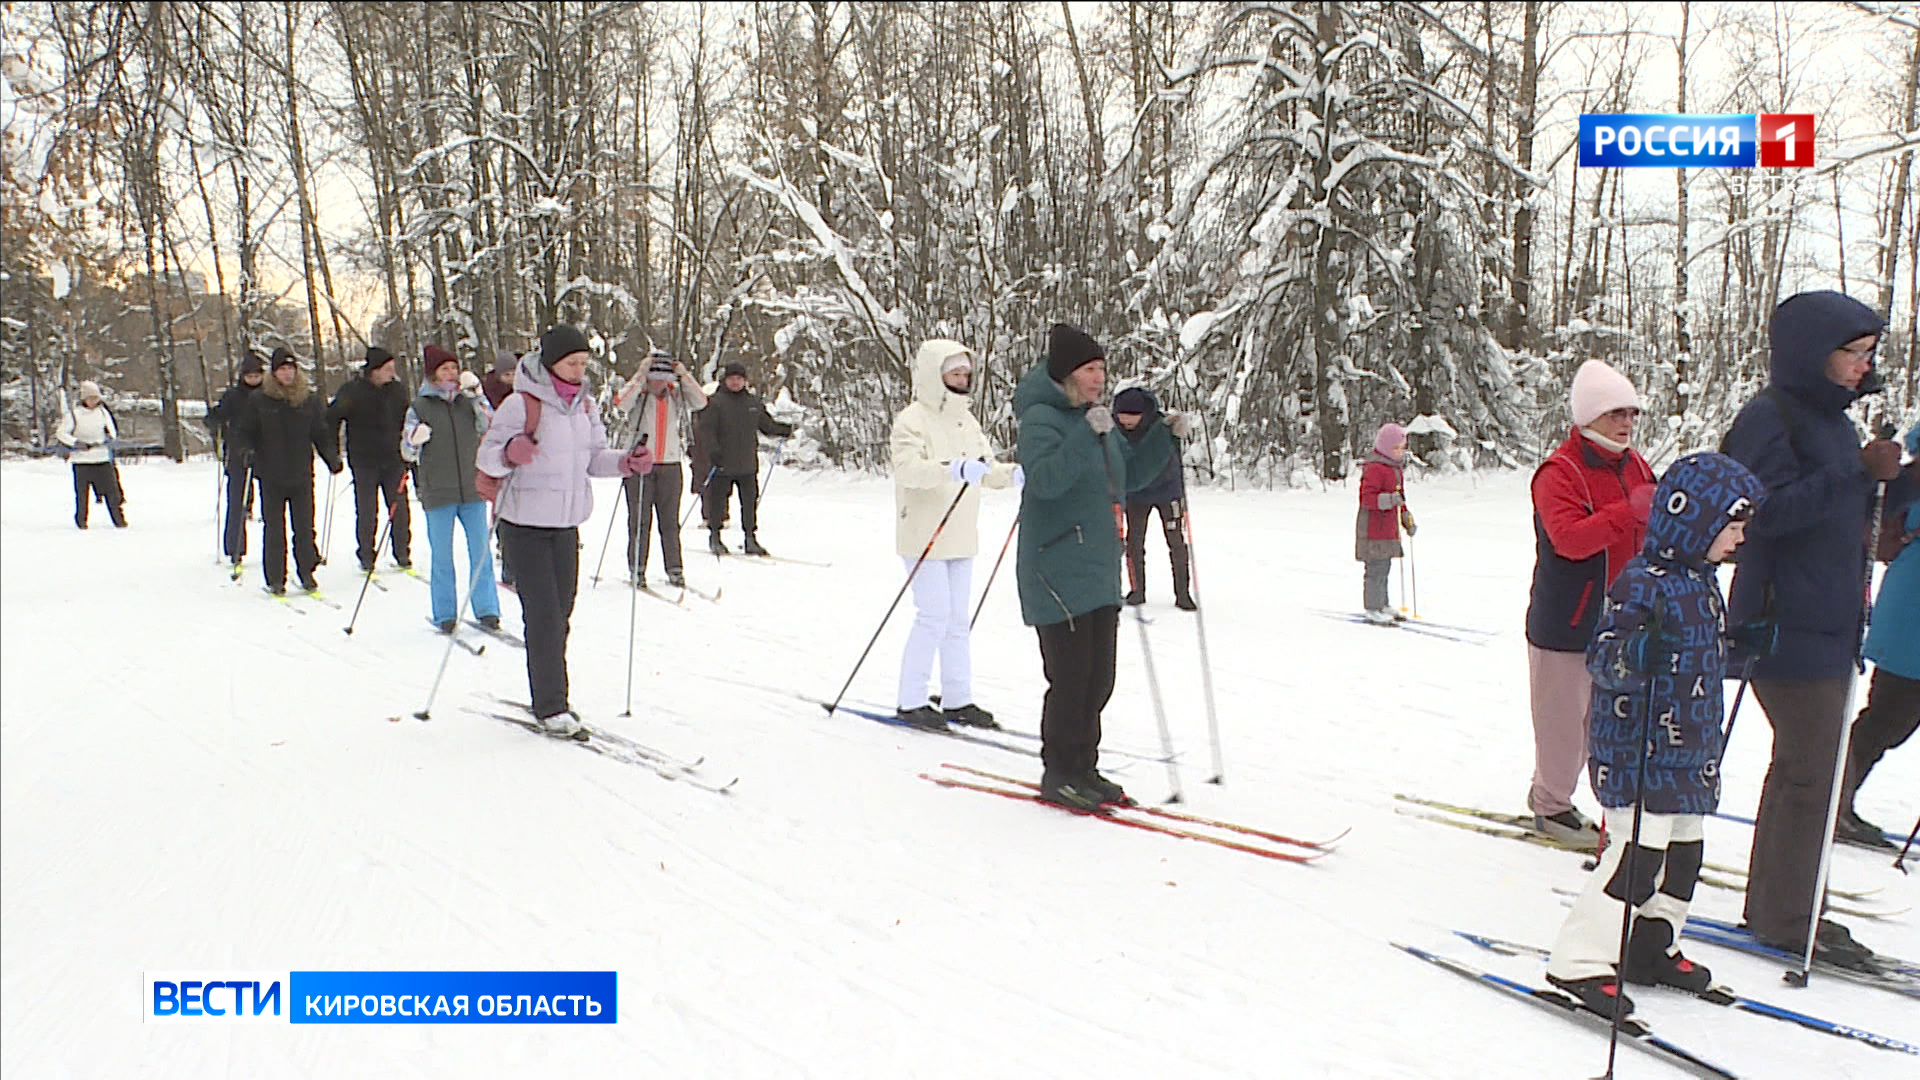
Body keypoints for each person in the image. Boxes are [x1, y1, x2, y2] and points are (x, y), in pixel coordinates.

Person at [1723, 290, 1915, 968]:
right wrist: (1856, 472)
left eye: (1870, 352)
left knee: (1804, 771)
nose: (1865, 365)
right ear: (1812, 352)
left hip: (1827, 622)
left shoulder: (1829, 421)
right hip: (1783, 621)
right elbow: (1761, 514)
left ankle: (1777, 905)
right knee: (1816, 774)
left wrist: (1894, 479)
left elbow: (1844, 507)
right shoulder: (1770, 417)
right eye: (1853, 352)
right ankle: (1791, 917)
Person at [1544, 452, 1764, 1016]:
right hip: (1637, 750)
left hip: (1689, 752)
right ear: (1696, 522)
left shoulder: (1702, 584)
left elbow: (1696, 662)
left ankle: (1650, 944)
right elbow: (1604, 658)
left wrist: (1739, 649)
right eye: (1732, 526)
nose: (1739, 538)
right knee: (1637, 858)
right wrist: (1639, 651)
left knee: (1685, 853)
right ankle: (1580, 960)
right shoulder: (1643, 582)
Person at [477, 325, 654, 736]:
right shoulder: (521, 404)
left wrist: (625, 462)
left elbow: (593, 459)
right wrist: (509, 452)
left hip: (565, 526)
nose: (579, 370)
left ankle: (550, 691)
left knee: (561, 614)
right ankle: (551, 704)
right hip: (524, 525)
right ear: (551, 362)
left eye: (583, 363)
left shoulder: (585, 407)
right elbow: (487, 458)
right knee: (544, 617)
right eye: (572, 363)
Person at [1523, 359, 1656, 847]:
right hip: (1567, 619)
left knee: (1602, 723)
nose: (1626, 422)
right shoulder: (1558, 473)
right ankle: (1551, 806)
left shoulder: (1636, 465)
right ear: (1588, 415)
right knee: (1562, 724)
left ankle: (1551, 794)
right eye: (1615, 413)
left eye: (1631, 413)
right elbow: (1570, 540)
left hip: (1621, 619)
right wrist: (1629, 511)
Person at [1015, 323, 1129, 810]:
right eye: (1089, 369)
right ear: (1067, 374)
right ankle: (1059, 771)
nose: (1099, 378)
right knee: (1071, 678)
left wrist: (1162, 441)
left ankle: (1084, 766)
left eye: (1102, 368)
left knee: (1099, 679)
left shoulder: (1091, 418)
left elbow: (1126, 479)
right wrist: (1085, 433)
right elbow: (1045, 481)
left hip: (1097, 566)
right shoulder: (1041, 419)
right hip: (1056, 566)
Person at [889, 340, 1020, 731]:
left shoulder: (967, 421)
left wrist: (1012, 474)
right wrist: (952, 468)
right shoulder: (912, 420)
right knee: (933, 615)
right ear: (935, 376)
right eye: (954, 374)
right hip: (924, 533)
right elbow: (909, 471)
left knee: (957, 620)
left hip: (961, 532)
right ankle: (911, 699)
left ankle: (957, 698)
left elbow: (986, 467)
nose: (962, 380)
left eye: (966, 374)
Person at [1842, 424, 1920, 848]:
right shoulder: (1909, 485)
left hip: (1907, 620)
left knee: (1892, 720)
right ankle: (1831, 803)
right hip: (1911, 623)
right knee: (1888, 718)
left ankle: (1833, 802)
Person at [404, 346, 502, 634]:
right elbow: (407, 451)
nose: (451, 373)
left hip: (471, 489)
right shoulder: (420, 406)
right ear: (433, 373)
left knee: (480, 552)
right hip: (438, 490)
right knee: (442, 556)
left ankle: (487, 609)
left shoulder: (467, 401)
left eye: (454, 368)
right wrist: (414, 439)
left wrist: (478, 396)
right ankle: (445, 613)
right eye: (445, 368)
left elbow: (491, 426)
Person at [235, 347, 342, 595]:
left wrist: (331, 458)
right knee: (274, 528)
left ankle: (306, 572)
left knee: (304, 527)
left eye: (291, 368)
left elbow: (320, 433)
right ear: (274, 373)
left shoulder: (308, 400)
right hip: (270, 474)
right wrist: (246, 451)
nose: (287, 373)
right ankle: (275, 578)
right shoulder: (260, 400)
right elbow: (244, 432)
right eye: (282, 369)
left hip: (301, 473)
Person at [615, 351, 707, 587]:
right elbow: (621, 402)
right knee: (639, 520)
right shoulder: (639, 394)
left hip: (670, 465)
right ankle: (637, 568)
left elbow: (701, 401)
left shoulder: (676, 395)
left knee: (669, 522)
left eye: (664, 378)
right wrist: (640, 373)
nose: (659, 383)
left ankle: (674, 568)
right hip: (640, 465)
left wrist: (683, 375)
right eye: (655, 378)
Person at [327, 345, 412, 572]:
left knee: (399, 507)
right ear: (374, 370)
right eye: (387, 369)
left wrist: (410, 450)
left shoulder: (397, 391)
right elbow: (332, 418)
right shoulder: (352, 391)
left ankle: (402, 553)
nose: (392, 373)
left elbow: (407, 421)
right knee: (367, 510)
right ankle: (366, 554)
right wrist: (333, 452)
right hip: (363, 460)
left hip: (393, 458)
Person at [696, 360, 793, 556]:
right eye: (732, 378)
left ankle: (750, 538)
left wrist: (782, 429)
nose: (735, 382)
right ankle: (715, 537)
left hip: (747, 463)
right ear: (725, 380)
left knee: (749, 502)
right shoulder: (714, 403)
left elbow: (766, 425)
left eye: (739, 379)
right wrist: (713, 451)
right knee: (718, 502)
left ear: (745, 381)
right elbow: (705, 431)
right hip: (722, 462)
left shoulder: (753, 403)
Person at [1113, 387, 1195, 611]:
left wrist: (1178, 431)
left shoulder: (1162, 426)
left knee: (1176, 541)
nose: (1126, 423)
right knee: (1134, 542)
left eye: (1131, 418)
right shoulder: (1115, 430)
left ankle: (1183, 594)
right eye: (1122, 418)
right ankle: (1137, 590)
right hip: (1136, 494)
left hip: (1168, 490)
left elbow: (1173, 446)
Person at [206, 352, 266, 566]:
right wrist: (214, 422)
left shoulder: (268, 394)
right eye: (249, 376)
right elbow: (218, 415)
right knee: (236, 501)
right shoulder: (233, 396)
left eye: (257, 376)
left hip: (266, 451)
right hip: (237, 451)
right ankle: (235, 547)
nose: (253, 379)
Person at [1356, 421, 1414, 623]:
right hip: (1373, 529)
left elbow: (1400, 498)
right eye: (1396, 448)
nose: (1400, 452)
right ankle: (1372, 607)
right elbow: (1367, 498)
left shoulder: (1395, 469)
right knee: (1375, 569)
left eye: (1402, 448)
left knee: (1385, 567)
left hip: (1389, 528)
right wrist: (1389, 500)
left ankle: (1383, 603)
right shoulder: (1375, 468)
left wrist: (1406, 518)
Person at [56, 380, 126, 529]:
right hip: (82, 461)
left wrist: (109, 438)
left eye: (96, 398)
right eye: (91, 398)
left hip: (101, 458)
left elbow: (112, 431)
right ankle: (81, 521)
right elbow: (61, 433)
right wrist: (75, 443)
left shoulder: (103, 413)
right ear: (84, 399)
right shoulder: (74, 415)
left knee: (112, 492)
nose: (94, 401)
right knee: (82, 495)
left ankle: (119, 520)